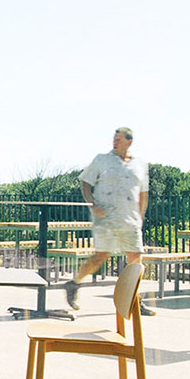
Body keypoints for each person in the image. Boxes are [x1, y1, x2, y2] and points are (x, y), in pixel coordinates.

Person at [64, 127, 152, 313]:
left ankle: (134, 300)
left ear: (129, 141)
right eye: (114, 139)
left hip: (130, 220)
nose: (115, 142)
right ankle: (74, 283)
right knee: (100, 257)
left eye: (119, 139)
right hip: (106, 218)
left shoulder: (140, 165)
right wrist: (92, 204)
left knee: (136, 260)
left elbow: (143, 193)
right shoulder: (101, 160)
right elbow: (85, 183)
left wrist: (140, 218)